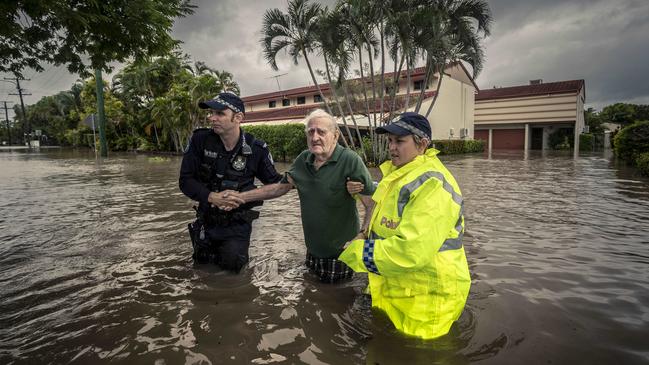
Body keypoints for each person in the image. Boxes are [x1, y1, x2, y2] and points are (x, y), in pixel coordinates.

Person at [339, 111, 470, 339]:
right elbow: (382, 219)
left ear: (422, 144)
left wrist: (357, 251)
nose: (392, 147)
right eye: (390, 141)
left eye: (400, 141)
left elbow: (410, 251)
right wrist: (363, 233)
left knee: (421, 355)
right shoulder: (398, 175)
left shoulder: (433, 184)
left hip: (427, 299)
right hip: (402, 288)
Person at [229, 109, 375, 283]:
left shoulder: (350, 161)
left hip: (342, 253)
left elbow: (371, 203)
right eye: (310, 132)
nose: (314, 137)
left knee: (338, 299)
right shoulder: (303, 159)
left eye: (321, 132)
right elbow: (279, 188)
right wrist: (239, 198)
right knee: (311, 295)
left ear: (335, 136)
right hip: (312, 251)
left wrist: (362, 236)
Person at [179, 92, 282, 272]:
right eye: (211, 113)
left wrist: (244, 197)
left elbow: (276, 184)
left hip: (237, 226)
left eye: (220, 113)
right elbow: (185, 180)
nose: (212, 118)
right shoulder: (200, 140)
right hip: (206, 221)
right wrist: (212, 197)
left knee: (234, 272)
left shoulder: (256, 149)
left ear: (238, 117)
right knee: (202, 271)